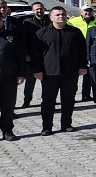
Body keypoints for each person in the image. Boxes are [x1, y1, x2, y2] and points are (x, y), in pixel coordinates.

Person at [32, 7, 88, 135]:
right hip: (49, 73)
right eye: (57, 15)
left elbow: (82, 51)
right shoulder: (41, 33)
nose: (61, 17)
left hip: (70, 73)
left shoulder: (75, 32)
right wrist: (37, 70)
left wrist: (82, 66)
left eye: (63, 14)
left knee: (68, 99)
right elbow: (36, 54)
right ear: (51, 17)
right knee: (48, 101)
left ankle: (66, 124)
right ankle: (46, 127)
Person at [0, 9, 26, 141]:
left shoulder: (11, 36)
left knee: (8, 106)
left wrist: (21, 74)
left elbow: (20, 57)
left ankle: (7, 131)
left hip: (9, 77)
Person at [67, 3, 96, 104]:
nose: (88, 13)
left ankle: (86, 95)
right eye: (85, 10)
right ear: (81, 12)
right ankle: (71, 97)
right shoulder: (73, 21)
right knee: (75, 75)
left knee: (90, 75)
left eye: (90, 11)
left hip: (92, 51)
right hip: (77, 51)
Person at [20, 1, 49, 108]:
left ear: (44, 9)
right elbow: (24, 40)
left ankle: (47, 100)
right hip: (32, 56)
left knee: (47, 81)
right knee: (30, 81)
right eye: (36, 9)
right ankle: (27, 101)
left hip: (47, 56)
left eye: (41, 8)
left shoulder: (50, 21)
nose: (39, 10)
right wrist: (26, 54)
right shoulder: (27, 23)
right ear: (33, 10)